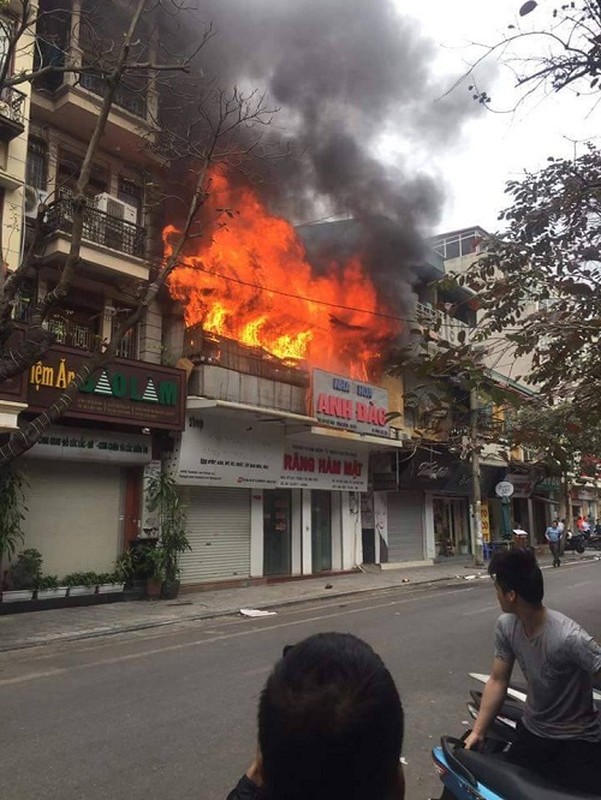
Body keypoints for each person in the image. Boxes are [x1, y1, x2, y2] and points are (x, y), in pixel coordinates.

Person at [465, 549, 601, 794]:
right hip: (532, 733)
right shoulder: (507, 626)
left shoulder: (569, 638)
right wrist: (478, 731)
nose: (496, 596)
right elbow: (497, 680)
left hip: (577, 742)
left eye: (498, 590)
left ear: (511, 595)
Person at [226, 632, 405, 800]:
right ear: (396, 784)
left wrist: (254, 776)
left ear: (264, 770)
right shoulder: (390, 784)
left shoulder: (261, 775)